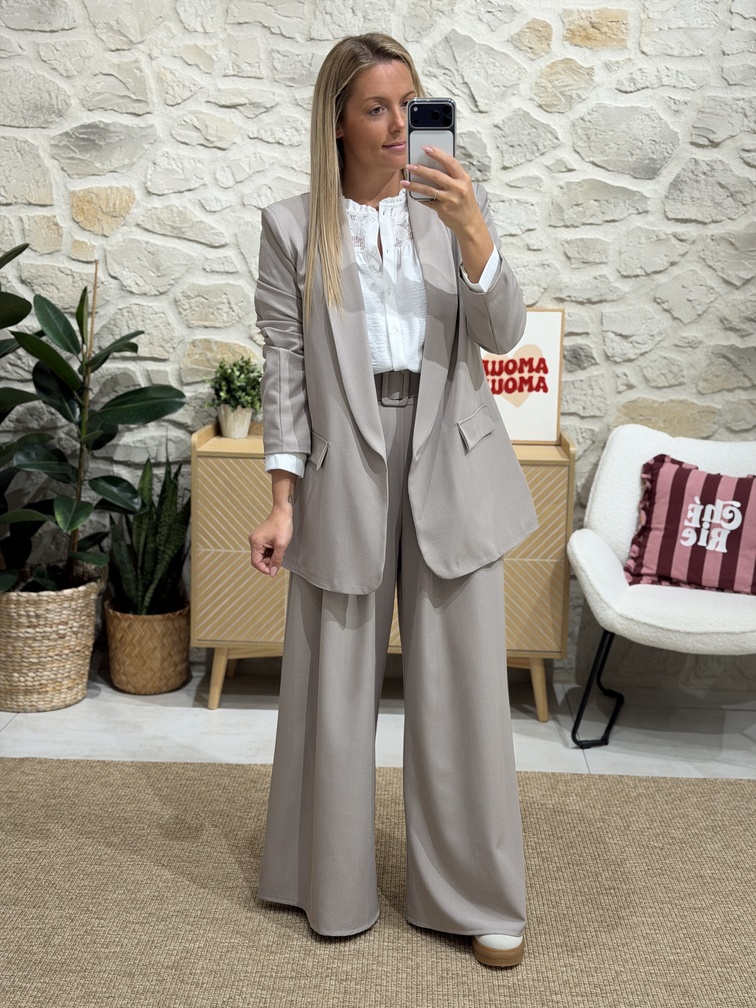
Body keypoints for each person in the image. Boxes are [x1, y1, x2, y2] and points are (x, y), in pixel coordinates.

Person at [249, 32, 537, 968]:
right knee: (333, 688)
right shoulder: (291, 227)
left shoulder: (451, 208)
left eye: (409, 105)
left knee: (462, 694)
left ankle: (476, 895)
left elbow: (503, 333)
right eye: (375, 108)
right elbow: (285, 370)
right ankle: (327, 882)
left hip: (450, 456)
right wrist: (282, 497)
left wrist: (475, 232)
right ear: (337, 121)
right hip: (343, 458)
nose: (397, 124)